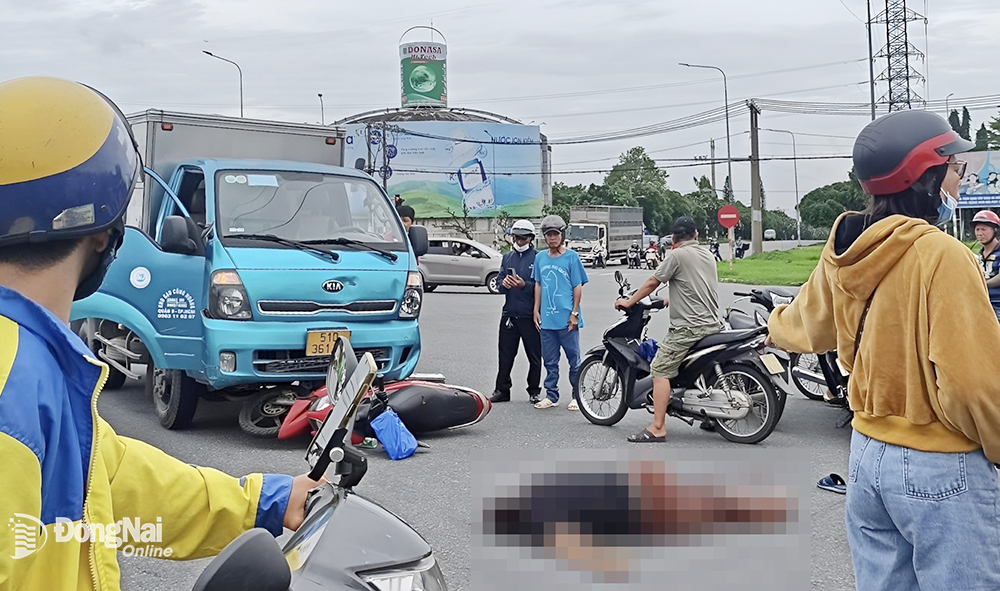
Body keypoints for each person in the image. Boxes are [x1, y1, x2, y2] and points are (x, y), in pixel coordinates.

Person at [0, 77, 322, 590]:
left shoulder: (33, 363)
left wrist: (263, 502)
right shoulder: (15, 383)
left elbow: (115, 480)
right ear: (106, 232)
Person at [766, 109, 1000, 590]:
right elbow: (973, 384)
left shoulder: (848, 246)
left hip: (868, 456)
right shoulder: (943, 255)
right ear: (927, 175)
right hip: (939, 462)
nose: (958, 178)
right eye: (954, 168)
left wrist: (770, 326)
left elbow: (807, 326)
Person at [615, 216, 721, 442]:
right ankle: (711, 416)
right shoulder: (707, 254)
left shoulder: (676, 255)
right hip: (713, 324)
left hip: (688, 328)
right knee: (694, 368)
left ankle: (657, 427)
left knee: (660, 369)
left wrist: (629, 301)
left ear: (673, 238)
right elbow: (694, 286)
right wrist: (668, 300)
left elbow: (653, 281)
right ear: (696, 235)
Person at [532, 215, 588, 410]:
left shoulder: (571, 257)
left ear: (562, 235)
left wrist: (575, 313)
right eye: (549, 235)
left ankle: (577, 395)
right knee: (550, 360)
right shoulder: (540, 257)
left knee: (574, 359)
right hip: (547, 319)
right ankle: (551, 395)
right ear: (544, 237)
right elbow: (538, 284)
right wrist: (536, 310)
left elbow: (577, 286)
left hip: (567, 319)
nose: (552, 238)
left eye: (556, 234)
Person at [492, 220, 543, 404]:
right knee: (505, 355)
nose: (519, 241)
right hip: (509, 314)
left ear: (530, 238)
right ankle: (502, 389)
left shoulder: (538, 258)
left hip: (530, 315)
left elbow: (541, 287)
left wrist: (524, 285)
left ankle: (534, 390)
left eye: (523, 238)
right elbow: (498, 282)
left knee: (534, 356)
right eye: (516, 237)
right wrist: (503, 284)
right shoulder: (507, 257)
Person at [972, 209, 1000, 322]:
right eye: (977, 229)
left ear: (995, 230)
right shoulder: (979, 254)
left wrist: (982, 284)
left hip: (997, 304)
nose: (979, 233)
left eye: (984, 229)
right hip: (981, 303)